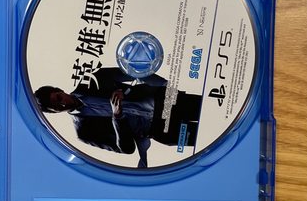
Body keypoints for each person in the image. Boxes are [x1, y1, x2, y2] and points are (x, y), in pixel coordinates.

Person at [35, 68, 201, 168]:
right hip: (160, 131)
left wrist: (165, 84)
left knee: (212, 113)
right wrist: (117, 117)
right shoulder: (84, 133)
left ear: (59, 90)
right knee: (205, 141)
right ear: (55, 113)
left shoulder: (93, 80)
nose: (63, 104)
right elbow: (126, 149)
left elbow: (135, 72)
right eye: (57, 107)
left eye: (59, 98)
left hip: (168, 101)